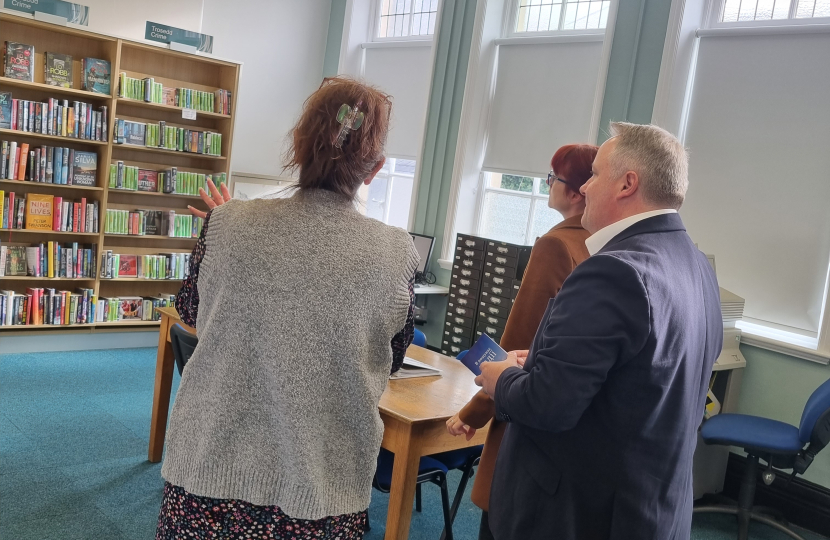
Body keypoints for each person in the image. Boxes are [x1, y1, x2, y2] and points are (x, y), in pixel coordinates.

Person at [156, 77, 420, 540]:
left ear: (297, 148)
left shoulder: (227, 223)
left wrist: (228, 229)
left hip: (207, 469)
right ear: (375, 169)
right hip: (319, 490)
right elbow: (391, 357)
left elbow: (193, 313)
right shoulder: (396, 252)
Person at [475, 123, 723, 540]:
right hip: (652, 509)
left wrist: (503, 378)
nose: (584, 188)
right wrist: (538, 364)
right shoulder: (698, 266)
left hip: (580, 514)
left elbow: (548, 405)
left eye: (594, 174)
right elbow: (635, 383)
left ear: (627, 183)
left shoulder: (614, 271)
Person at [445, 144, 598, 540]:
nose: (548, 184)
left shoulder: (556, 245)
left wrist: (473, 412)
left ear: (577, 191)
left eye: (554, 178)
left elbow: (516, 349)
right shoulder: (603, 245)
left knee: (502, 520)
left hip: (524, 417)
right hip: (574, 435)